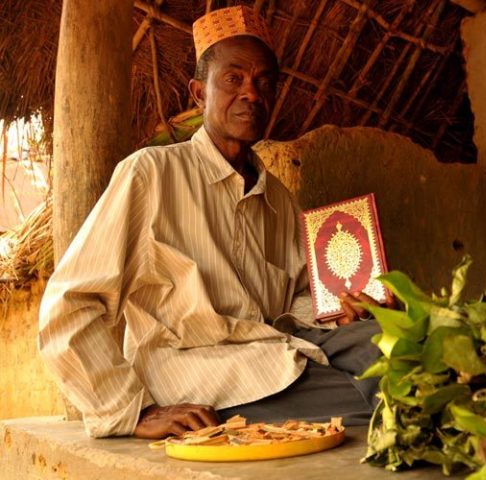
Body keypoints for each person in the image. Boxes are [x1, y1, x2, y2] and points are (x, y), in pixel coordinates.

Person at [38, 6, 390, 439]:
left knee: (401, 346)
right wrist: (131, 410)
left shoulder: (277, 197)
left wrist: (338, 315)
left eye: (264, 82)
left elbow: (295, 298)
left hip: (278, 347)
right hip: (204, 370)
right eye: (233, 79)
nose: (252, 94)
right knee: (371, 406)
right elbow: (70, 303)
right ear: (199, 94)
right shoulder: (151, 173)